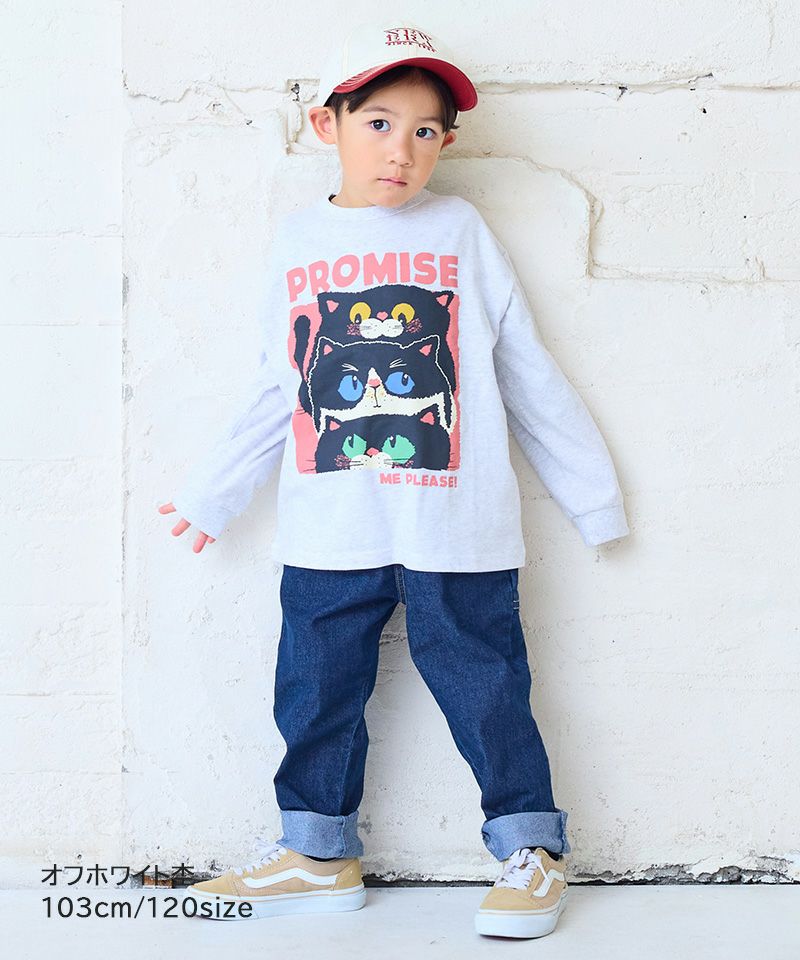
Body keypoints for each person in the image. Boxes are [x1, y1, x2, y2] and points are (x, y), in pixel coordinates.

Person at [158, 20, 630, 939]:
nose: (401, 150)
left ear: (447, 141)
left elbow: (524, 368)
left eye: (424, 131)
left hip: (458, 522)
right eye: (378, 123)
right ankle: (317, 853)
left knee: (487, 686)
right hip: (330, 520)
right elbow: (281, 381)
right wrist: (215, 489)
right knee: (314, 691)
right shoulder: (298, 241)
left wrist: (592, 496)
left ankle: (531, 849)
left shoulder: (461, 231)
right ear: (324, 124)